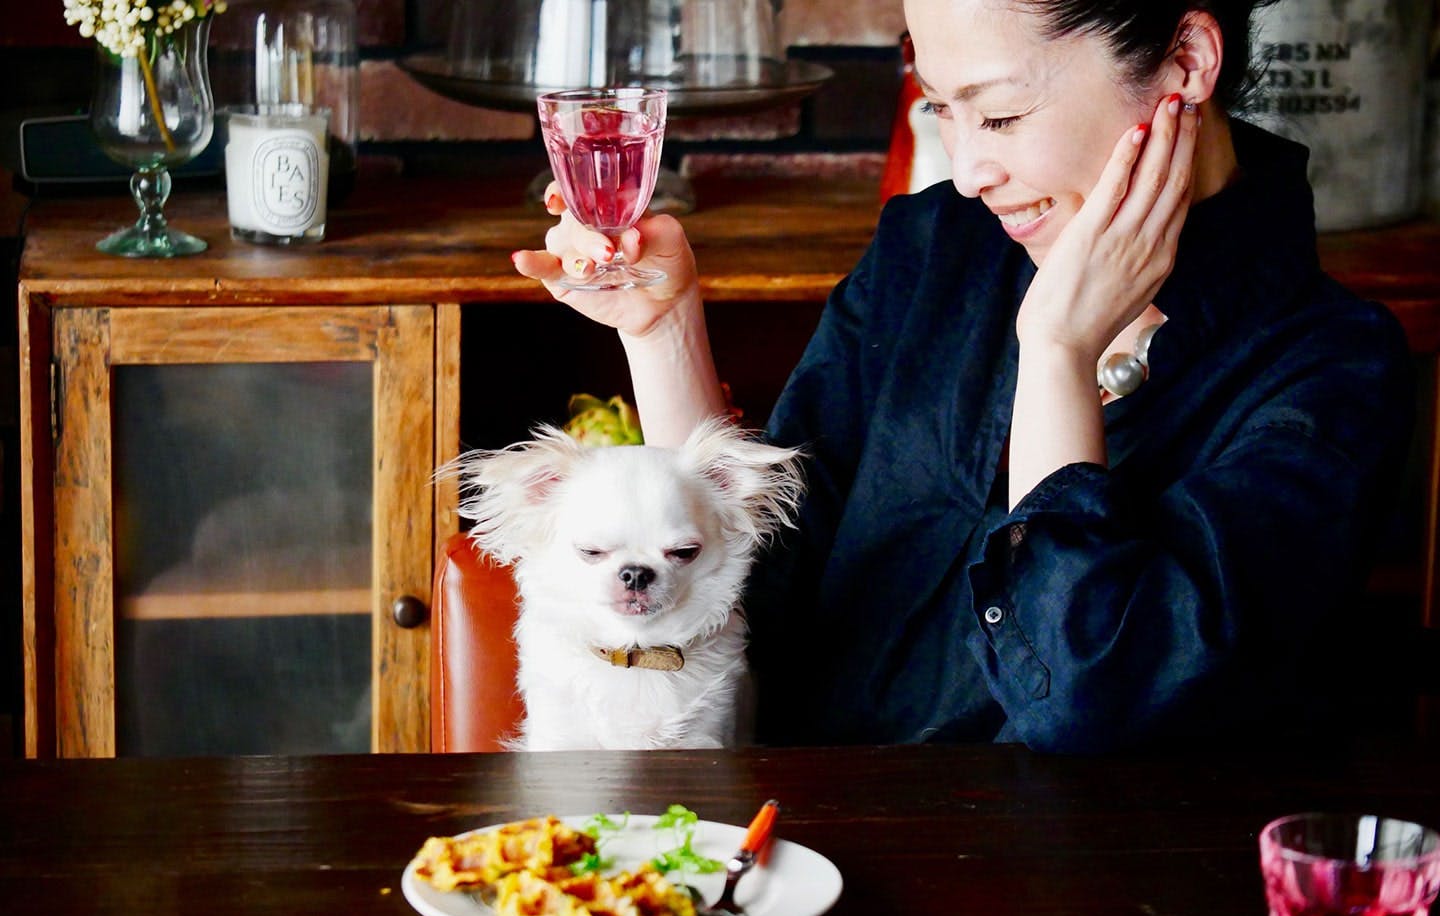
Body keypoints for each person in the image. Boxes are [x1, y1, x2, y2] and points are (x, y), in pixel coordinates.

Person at [511, 0, 1415, 752]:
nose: (974, 169)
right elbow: (764, 590)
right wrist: (663, 328)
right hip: (792, 855)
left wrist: (1058, 356)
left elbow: (1087, 701)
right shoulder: (931, 250)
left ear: (1185, 59)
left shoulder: (1330, 371)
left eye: (1003, 112)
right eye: (941, 107)